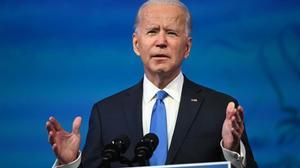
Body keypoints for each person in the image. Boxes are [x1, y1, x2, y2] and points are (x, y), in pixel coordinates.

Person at [46, 0, 258, 167]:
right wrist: (69, 164)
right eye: (152, 31)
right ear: (136, 44)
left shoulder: (220, 108)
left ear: (187, 48)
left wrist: (231, 150)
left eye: (172, 33)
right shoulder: (106, 113)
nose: (161, 41)